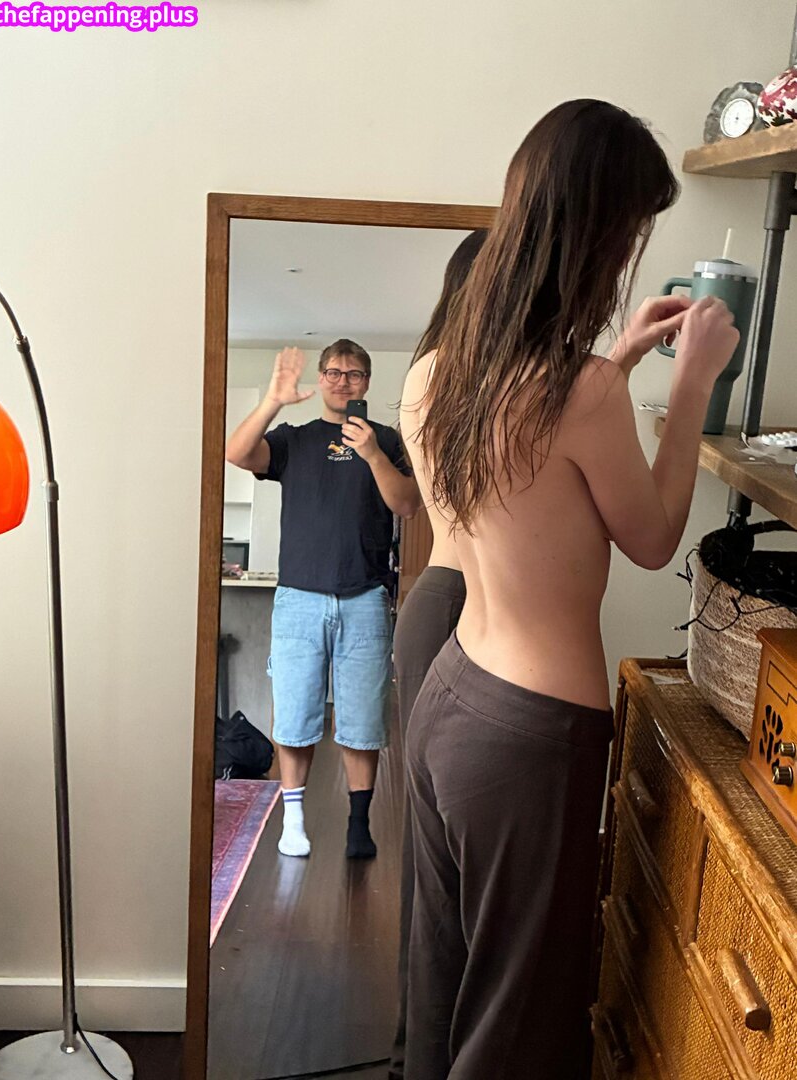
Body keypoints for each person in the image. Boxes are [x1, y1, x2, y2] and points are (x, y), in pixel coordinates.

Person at [404, 99, 740, 1080]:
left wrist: (621, 357)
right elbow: (653, 536)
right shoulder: (579, 393)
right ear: (595, 234)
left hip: (452, 697)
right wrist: (692, 384)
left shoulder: (437, 373)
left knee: (444, 991)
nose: (631, 253)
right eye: (631, 232)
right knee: (518, 1023)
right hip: (532, 733)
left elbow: (535, 470)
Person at [226, 339, 420, 859]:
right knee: (294, 716)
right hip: (299, 599)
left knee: (363, 719)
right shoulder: (296, 438)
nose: (342, 381)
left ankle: (359, 825)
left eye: (353, 374)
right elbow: (238, 453)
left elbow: (406, 505)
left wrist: (372, 453)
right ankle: (293, 821)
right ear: (321, 377)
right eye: (333, 372)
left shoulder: (386, 440)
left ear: (366, 382)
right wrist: (273, 399)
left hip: (365, 598)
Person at [389, 227, 487, 1080]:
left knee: (444, 856)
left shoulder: (440, 373)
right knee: (439, 858)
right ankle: (420, 1052)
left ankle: (419, 1050)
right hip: (450, 602)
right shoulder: (459, 377)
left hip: (441, 603)